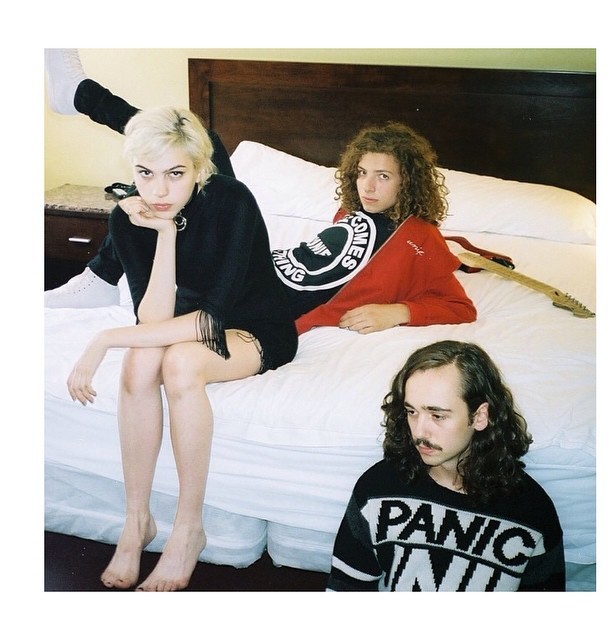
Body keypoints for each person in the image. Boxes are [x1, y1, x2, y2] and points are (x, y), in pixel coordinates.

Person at [45, 49, 476, 334]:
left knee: (203, 146)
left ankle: (81, 95)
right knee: (204, 144)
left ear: (408, 181)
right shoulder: (351, 214)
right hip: (257, 264)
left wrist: (398, 312)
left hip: (256, 297)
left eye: (383, 176)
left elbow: (458, 305)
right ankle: (80, 95)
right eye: (362, 173)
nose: (367, 185)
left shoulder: (422, 238)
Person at [65, 103, 298, 591]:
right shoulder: (130, 217)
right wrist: (165, 234)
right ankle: (137, 521)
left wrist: (105, 338)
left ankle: (189, 529)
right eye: (145, 174)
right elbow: (152, 319)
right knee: (138, 365)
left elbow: (211, 320)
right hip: (181, 319)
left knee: (181, 364)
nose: (159, 191)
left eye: (175, 174)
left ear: (199, 168)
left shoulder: (231, 201)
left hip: (253, 325)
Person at [326, 340, 565, 592]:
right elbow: (344, 589)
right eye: (411, 412)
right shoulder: (377, 488)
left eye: (437, 415)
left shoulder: (533, 511)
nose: (420, 431)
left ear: (480, 416)